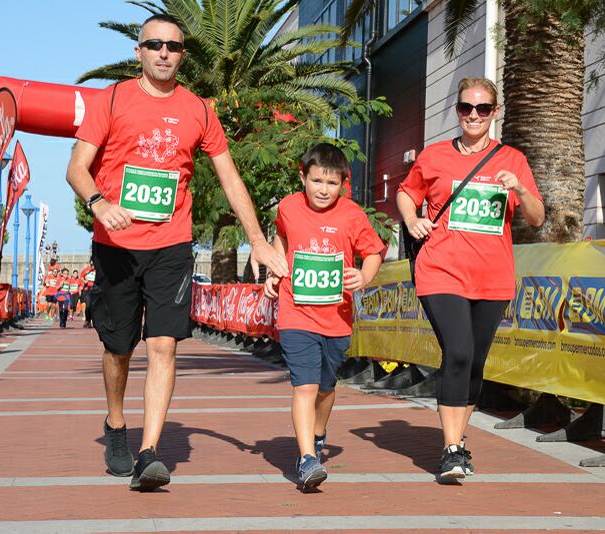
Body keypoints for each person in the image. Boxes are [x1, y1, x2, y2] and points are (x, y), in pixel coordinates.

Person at [66, 13, 288, 492]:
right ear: (139, 51)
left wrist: (258, 240)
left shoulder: (199, 110)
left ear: (183, 55)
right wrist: (100, 204)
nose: (164, 53)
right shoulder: (112, 100)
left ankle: (149, 452)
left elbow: (230, 178)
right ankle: (115, 424)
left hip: (172, 244)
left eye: (173, 46)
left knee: (163, 344)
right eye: (155, 45)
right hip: (117, 246)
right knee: (118, 348)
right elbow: (77, 168)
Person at [396, 77, 545, 483]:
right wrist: (413, 221)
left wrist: (520, 190)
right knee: (459, 352)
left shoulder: (512, 159)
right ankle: (451, 449)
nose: (474, 115)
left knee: (475, 361)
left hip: (493, 277)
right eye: (466, 108)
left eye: (482, 108)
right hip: (440, 270)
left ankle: (459, 443)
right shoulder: (435, 156)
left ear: (495, 112)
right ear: (458, 111)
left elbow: (536, 216)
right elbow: (407, 194)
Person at [264, 143, 384, 491]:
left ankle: (317, 436)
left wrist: (364, 276)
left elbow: (373, 251)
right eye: (316, 181)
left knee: (326, 387)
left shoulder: (352, 215)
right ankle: (306, 459)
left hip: (337, 318)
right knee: (305, 385)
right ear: (303, 176)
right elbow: (280, 236)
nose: (323, 190)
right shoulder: (288, 206)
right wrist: (275, 269)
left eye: (331, 184)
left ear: (343, 184)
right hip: (296, 314)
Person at [80, 259, 96, 329]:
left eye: (94, 264)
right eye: (91, 264)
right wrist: (84, 281)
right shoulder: (86, 270)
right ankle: (87, 320)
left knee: (94, 306)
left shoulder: (98, 271)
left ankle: (92, 321)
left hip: (96, 290)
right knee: (88, 305)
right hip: (88, 289)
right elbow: (81, 277)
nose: (93, 266)